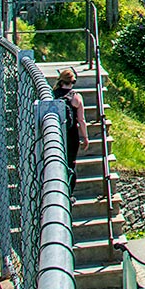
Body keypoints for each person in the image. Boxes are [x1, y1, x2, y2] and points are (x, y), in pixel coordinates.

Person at [52, 68, 90, 197]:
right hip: (71, 135)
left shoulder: (52, 94)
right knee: (70, 164)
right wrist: (85, 137)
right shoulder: (76, 97)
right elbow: (81, 120)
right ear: (72, 82)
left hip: (55, 134)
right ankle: (68, 193)